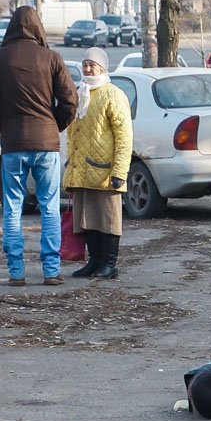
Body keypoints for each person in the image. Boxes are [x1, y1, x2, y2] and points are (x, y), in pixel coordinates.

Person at [0, 6, 78, 286]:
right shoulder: (51, 58)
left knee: (13, 208)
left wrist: (3, 125)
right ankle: (51, 270)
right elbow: (70, 101)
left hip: (13, 143)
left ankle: (16, 271)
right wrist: (54, 125)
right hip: (46, 144)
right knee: (49, 207)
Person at [64, 47, 132, 280]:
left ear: (102, 67)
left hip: (104, 170)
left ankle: (109, 264)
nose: (87, 68)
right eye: (84, 64)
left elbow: (124, 136)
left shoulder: (112, 94)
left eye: (92, 64)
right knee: (86, 219)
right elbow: (73, 134)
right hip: (81, 169)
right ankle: (94, 261)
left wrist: (119, 170)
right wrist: (70, 162)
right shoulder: (80, 93)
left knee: (108, 220)